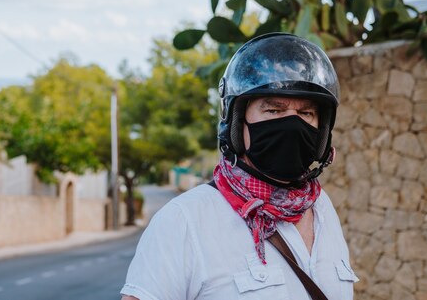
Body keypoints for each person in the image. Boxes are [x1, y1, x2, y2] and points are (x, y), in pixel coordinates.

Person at [120, 33, 358, 300]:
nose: (292, 125)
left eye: (306, 114)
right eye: (273, 111)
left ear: (322, 130)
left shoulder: (321, 208)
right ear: (236, 123)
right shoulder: (185, 220)